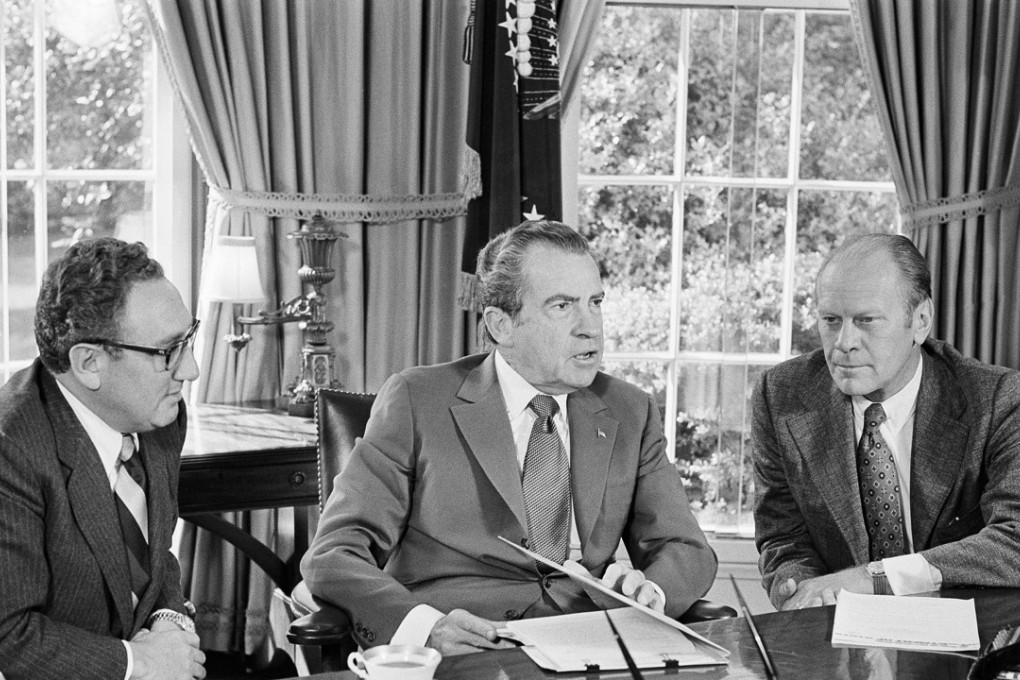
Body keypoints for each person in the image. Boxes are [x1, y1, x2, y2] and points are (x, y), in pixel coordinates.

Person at [302, 220, 716, 655]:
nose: (590, 327)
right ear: (501, 325)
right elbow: (335, 554)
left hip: (588, 648)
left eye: (595, 302)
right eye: (562, 306)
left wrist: (652, 591)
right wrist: (424, 627)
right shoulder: (417, 400)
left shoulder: (630, 409)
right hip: (461, 650)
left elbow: (685, 547)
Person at [752, 233, 1020, 611]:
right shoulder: (780, 395)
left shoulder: (998, 399)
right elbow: (783, 536)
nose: (844, 342)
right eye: (831, 320)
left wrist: (875, 578)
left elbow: (1015, 538)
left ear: (920, 320)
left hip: (966, 637)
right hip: (839, 634)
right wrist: (804, 590)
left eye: (866, 320)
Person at [0, 238, 206, 680]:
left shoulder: (160, 414)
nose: (190, 370)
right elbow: (9, 635)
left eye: (188, 339)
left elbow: (153, 554)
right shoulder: (10, 449)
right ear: (90, 362)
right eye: (168, 352)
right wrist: (143, 663)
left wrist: (170, 619)